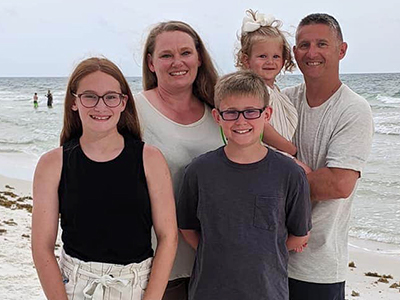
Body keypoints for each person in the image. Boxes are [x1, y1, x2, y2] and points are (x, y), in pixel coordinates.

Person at [31, 57, 178, 300]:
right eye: (89, 96)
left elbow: (168, 237)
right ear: (74, 102)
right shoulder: (52, 164)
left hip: (136, 286)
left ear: (123, 102)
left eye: (111, 97)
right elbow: (41, 247)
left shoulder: (150, 159)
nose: (101, 107)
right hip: (74, 287)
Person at [178, 70, 312, 300]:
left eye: (251, 112)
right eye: (230, 113)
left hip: (268, 292)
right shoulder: (198, 171)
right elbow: (187, 227)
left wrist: (262, 253)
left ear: (267, 114)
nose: (241, 121)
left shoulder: (289, 173)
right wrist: (221, 251)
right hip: (209, 292)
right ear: (217, 117)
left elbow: (299, 236)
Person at [283, 14, 374, 300]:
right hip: (268, 257)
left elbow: (338, 184)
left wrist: (266, 182)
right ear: (294, 52)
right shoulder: (282, 100)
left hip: (317, 267)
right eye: (303, 45)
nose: (311, 53)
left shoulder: (353, 109)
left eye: (322, 43)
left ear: (341, 50)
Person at [135, 21, 223, 300]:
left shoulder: (221, 113)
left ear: (199, 57)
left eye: (185, 53)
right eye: (166, 55)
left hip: (213, 266)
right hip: (155, 266)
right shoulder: (133, 110)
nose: (177, 62)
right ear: (151, 63)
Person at [236, 9, 298, 157]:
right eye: (262, 56)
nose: (270, 62)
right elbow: (261, 126)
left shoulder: (275, 90)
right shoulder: (252, 89)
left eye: (276, 56)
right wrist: (291, 150)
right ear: (246, 60)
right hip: (266, 157)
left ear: (284, 60)